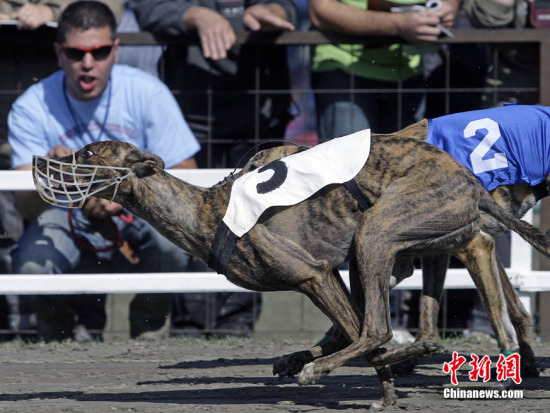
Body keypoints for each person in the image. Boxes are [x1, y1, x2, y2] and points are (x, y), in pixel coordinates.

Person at [7, 0, 200, 342]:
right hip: (63, 216)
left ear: (116, 49)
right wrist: (56, 178)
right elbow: (24, 203)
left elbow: (186, 173)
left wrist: (126, 192)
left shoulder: (147, 92)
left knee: (173, 242)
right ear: (58, 52)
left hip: (139, 213)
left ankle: (149, 335)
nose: (87, 64)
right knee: (32, 263)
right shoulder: (31, 104)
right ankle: (57, 341)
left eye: (99, 52)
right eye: (75, 53)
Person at [130, 0, 297, 337]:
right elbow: (148, 8)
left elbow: (291, 10)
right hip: (190, 121)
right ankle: (188, 325)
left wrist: (275, 13)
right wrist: (194, 15)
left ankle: (237, 322)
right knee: (187, 220)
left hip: (258, 117)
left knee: (253, 223)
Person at [308, 0, 462, 138]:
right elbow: (321, 9)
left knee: (406, 167)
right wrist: (398, 24)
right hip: (343, 67)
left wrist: (449, 6)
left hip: (409, 72)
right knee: (350, 165)